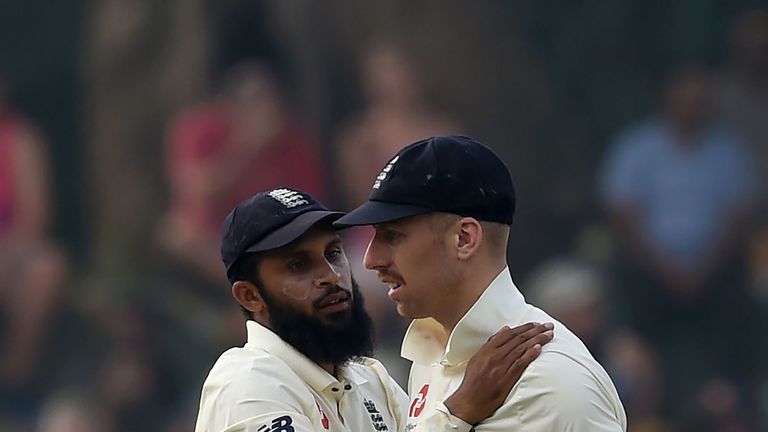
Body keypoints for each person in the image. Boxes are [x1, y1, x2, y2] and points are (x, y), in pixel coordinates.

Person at [194, 187, 554, 431]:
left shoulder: (369, 379)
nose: (331, 277)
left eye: (333, 254)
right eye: (298, 266)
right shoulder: (246, 383)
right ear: (250, 296)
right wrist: (460, 409)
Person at [334, 135, 627, 431]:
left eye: (392, 235)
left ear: (464, 239)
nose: (371, 259)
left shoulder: (552, 384)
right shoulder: (431, 355)